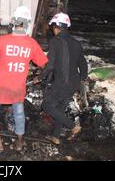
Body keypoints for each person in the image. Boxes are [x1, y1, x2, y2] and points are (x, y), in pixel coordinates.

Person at [0, 6, 48, 153]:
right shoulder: (32, 44)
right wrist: (41, 76)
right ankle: (19, 143)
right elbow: (45, 65)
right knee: (18, 112)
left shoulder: (3, 40)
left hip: (0, 85)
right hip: (18, 87)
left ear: (13, 22)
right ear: (26, 24)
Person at [33, 12, 88, 145]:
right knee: (60, 108)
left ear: (57, 27)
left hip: (62, 82)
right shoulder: (76, 43)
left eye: (53, 27)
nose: (52, 30)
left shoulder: (55, 41)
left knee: (46, 105)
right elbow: (83, 64)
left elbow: (50, 65)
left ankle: (73, 126)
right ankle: (56, 136)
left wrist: (39, 77)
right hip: (73, 81)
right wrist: (81, 80)